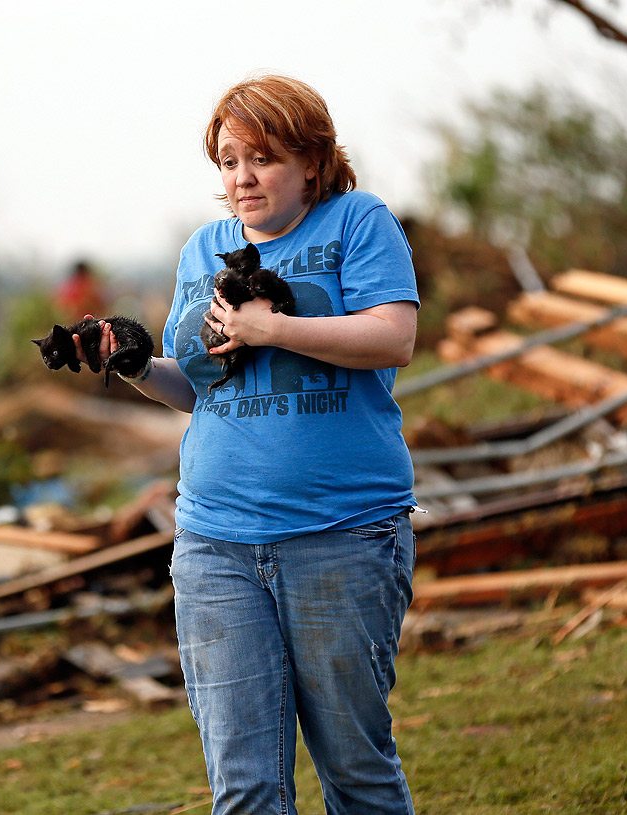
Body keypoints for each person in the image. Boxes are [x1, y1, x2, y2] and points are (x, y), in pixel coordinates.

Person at [73, 74, 419, 815]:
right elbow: (196, 387)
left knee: (355, 769)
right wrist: (134, 363)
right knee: (246, 786)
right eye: (229, 161)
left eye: (261, 158)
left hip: (343, 534)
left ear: (312, 163)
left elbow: (396, 337)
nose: (243, 177)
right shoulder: (203, 249)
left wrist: (274, 328)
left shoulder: (357, 223)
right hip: (215, 544)